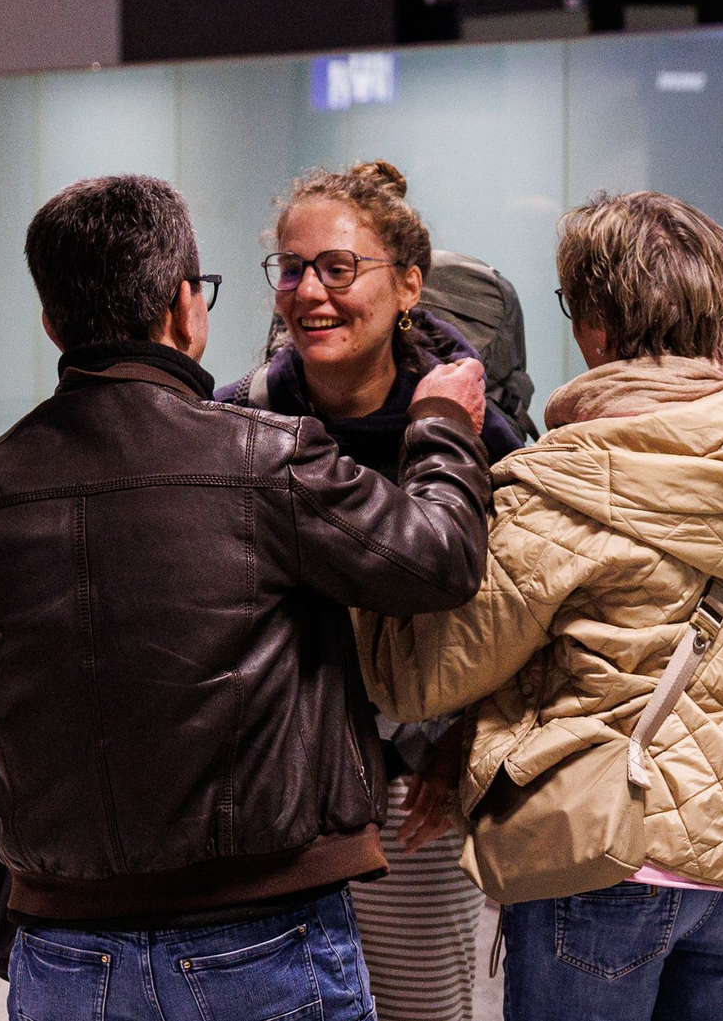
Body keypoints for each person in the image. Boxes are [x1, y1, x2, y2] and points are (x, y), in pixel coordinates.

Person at [0, 173, 493, 1021]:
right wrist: (441, 428)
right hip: (266, 929)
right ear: (186, 308)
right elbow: (440, 559)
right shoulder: (268, 458)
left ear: (50, 323)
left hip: (63, 942)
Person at [353, 190, 723, 1021]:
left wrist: (393, 493)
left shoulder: (567, 484)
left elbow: (418, 676)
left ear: (598, 327)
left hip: (608, 850)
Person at [217, 160, 523, 1021]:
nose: (310, 291)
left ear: (409, 286)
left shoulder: (476, 433)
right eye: (291, 267)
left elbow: (517, 610)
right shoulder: (236, 417)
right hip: (272, 791)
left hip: (412, 791)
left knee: (421, 1006)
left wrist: (464, 744)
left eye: (339, 268)